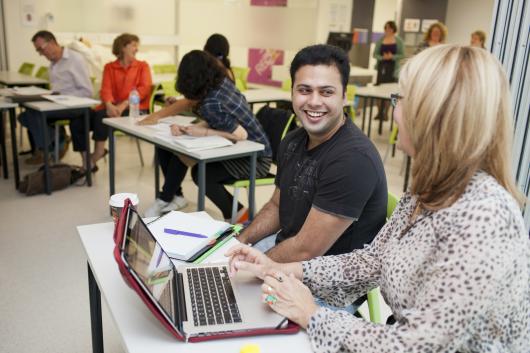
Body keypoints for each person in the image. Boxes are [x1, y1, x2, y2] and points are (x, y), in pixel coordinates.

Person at [226, 45, 530, 352]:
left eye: (401, 100)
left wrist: (313, 315)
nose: (395, 112)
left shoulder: (483, 217)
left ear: (434, 115)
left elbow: (414, 347)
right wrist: (277, 268)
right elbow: (371, 261)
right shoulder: (428, 189)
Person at [236, 44, 387, 262]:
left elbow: (306, 250)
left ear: (345, 97)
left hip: (327, 283)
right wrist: (241, 241)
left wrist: (252, 268)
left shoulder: (354, 159)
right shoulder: (292, 141)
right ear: (292, 93)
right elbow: (277, 206)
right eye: (304, 90)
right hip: (289, 249)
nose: (314, 101)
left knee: (228, 287)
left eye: (326, 92)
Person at [143, 50, 272, 219]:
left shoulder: (211, 102)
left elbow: (240, 134)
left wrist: (203, 132)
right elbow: (221, 121)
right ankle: (172, 197)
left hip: (255, 158)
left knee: (201, 173)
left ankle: (239, 214)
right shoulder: (221, 84)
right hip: (246, 149)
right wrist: (193, 129)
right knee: (169, 148)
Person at [70, 33, 152, 170]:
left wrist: (123, 105)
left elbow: (144, 89)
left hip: (134, 109)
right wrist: (108, 104)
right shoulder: (110, 67)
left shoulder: (142, 66)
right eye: (133, 45)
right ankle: (87, 161)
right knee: (79, 119)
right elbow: (105, 89)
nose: (136, 49)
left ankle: (98, 153)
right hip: (110, 107)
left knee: (101, 116)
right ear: (123, 47)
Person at [19, 30, 93, 165]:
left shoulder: (75, 59)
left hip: (75, 105)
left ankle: (47, 151)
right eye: (38, 51)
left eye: (41, 49)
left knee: (36, 115)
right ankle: (58, 140)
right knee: (24, 116)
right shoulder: (53, 64)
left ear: (52, 43)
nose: (41, 53)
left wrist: (61, 97)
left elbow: (87, 92)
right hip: (58, 103)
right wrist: (51, 96)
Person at [139, 33, 234, 126]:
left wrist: (156, 115)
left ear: (206, 50)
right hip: (222, 119)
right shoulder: (228, 71)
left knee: (171, 121)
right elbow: (199, 99)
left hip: (216, 121)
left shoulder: (213, 71)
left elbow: (191, 102)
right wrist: (177, 103)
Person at [373, 20, 404, 120]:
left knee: (391, 92)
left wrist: (392, 56)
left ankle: (386, 113)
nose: (387, 30)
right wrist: (383, 57)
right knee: (379, 90)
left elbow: (402, 55)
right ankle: (379, 113)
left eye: (389, 28)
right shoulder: (380, 40)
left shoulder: (399, 41)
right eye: (386, 28)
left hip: (393, 69)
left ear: (393, 29)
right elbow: (375, 54)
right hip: (381, 68)